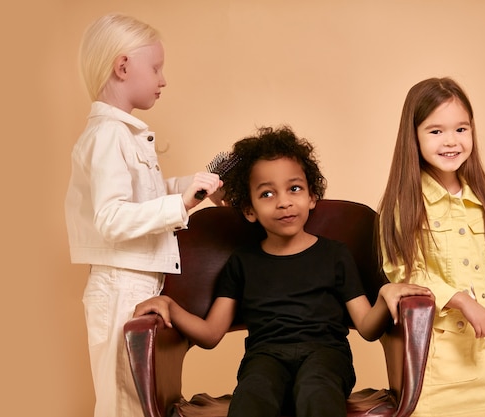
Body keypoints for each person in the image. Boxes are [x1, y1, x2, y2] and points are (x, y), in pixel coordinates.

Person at [134, 125, 432, 417]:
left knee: (315, 391)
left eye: (294, 189)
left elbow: (367, 326)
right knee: (252, 397)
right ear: (248, 209)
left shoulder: (335, 255)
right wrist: (170, 306)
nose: (284, 202)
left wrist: (385, 293)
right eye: (266, 194)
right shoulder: (243, 262)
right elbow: (211, 334)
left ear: (312, 196)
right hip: (264, 358)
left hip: (326, 355)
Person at [64, 13, 223, 417]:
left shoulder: (126, 134)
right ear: (122, 67)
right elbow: (111, 219)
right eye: (155, 68)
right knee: (124, 404)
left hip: (138, 285)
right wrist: (181, 205)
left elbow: (143, 196)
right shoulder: (107, 136)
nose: (163, 79)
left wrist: (190, 188)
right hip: (120, 287)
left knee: (142, 401)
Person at [377, 77, 485, 416]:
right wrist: (461, 301)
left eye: (461, 129)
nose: (451, 141)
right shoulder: (404, 204)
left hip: (484, 358)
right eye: (435, 131)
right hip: (435, 362)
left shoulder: (484, 202)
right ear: (413, 136)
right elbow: (403, 271)